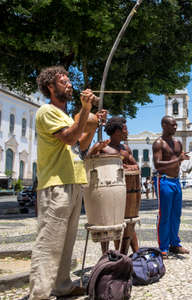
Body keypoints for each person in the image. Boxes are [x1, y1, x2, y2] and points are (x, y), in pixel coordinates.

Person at [30, 66, 102, 299]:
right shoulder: (47, 111)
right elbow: (69, 137)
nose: (69, 84)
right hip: (56, 185)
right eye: (63, 81)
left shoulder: (64, 115)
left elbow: (80, 144)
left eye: (69, 80)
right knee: (49, 243)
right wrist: (85, 110)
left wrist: (91, 124)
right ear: (50, 87)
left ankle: (62, 286)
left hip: (72, 181)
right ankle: (39, 294)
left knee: (66, 243)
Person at [87, 116, 140, 255]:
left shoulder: (125, 148)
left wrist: (128, 167)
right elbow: (89, 161)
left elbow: (135, 165)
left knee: (129, 222)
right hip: (107, 190)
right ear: (117, 131)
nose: (127, 132)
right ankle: (105, 254)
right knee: (107, 223)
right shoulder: (103, 147)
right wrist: (93, 150)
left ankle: (135, 254)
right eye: (125, 129)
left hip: (127, 191)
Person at [152, 116, 190, 258]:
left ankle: (174, 244)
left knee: (176, 215)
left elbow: (179, 162)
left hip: (176, 181)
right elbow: (157, 165)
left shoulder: (178, 143)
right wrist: (177, 160)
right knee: (165, 215)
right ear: (164, 125)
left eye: (176, 125)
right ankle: (163, 247)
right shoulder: (158, 143)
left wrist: (184, 161)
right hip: (164, 181)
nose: (175, 127)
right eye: (172, 125)